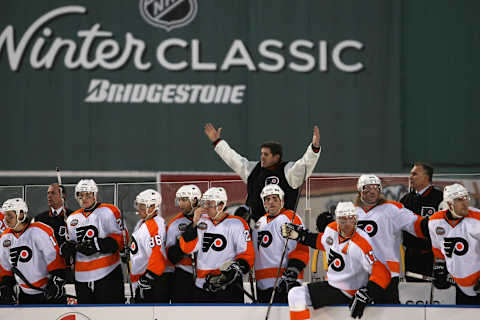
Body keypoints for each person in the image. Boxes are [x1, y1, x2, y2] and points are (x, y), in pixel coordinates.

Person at [282, 202, 391, 320]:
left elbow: (382, 272)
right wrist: (302, 236)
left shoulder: (362, 243)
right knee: (295, 294)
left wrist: (368, 292)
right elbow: (323, 242)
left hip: (350, 292)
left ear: (356, 219)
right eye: (343, 219)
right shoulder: (331, 229)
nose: (348, 223)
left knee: (296, 294)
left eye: (351, 218)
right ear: (337, 220)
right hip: (332, 286)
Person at [204, 123, 321, 222]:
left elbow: (305, 164)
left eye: (266, 154)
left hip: (280, 227)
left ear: (276, 157)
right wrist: (217, 142)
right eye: (261, 154)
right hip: (255, 226)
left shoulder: (288, 171)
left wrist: (314, 149)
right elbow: (233, 159)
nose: (262, 157)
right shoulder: (254, 169)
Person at [354, 174, 428, 303]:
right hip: (358, 273)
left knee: (388, 313)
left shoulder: (392, 209)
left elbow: (417, 224)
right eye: (368, 188)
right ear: (360, 190)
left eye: (376, 188)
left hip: (387, 274)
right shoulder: (351, 212)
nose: (372, 191)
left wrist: (435, 224)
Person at [179, 187, 254, 303]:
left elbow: (247, 254)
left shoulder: (237, 223)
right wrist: (193, 223)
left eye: (209, 204)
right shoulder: (201, 222)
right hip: (202, 285)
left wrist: (233, 271)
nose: (205, 207)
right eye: (204, 203)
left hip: (229, 286)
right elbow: (186, 248)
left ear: (220, 205)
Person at [61, 179, 125, 304]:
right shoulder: (72, 219)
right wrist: (66, 249)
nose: (84, 198)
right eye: (80, 195)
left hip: (108, 273)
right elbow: (72, 246)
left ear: (95, 194)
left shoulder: (110, 211)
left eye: (88, 194)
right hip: (82, 277)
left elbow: (121, 240)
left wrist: (96, 244)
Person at [0, 198, 68, 304]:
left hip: (48, 292)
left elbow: (55, 260)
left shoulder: (39, 230)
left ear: (21, 214)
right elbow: (5, 268)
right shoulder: (5, 237)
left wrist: (57, 281)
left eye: (10, 215)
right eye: (5, 215)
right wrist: (6, 287)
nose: (6, 219)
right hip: (24, 294)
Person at [253, 184, 309, 303]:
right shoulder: (259, 223)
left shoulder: (290, 218)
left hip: (286, 283)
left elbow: (301, 248)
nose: (271, 202)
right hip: (262, 285)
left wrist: (294, 269)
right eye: (267, 199)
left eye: (275, 198)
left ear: (282, 201)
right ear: (263, 203)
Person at [428, 183, 480, 305]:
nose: (466, 203)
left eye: (466, 198)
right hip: (458, 283)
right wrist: (440, 269)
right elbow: (438, 250)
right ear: (449, 204)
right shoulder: (435, 221)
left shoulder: (477, 218)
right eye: (459, 200)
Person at [400, 163, 443, 281]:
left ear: (426, 176)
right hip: (410, 257)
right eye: (410, 174)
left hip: (433, 257)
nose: (410, 177)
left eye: (414, 174)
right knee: (410, 293)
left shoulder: (440, 198)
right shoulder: (406, 200)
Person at [129, 189, 170, 303]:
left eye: (143, 206)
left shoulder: (155, 226)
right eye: (139, 205)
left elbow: (158, 254)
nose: (139, 209)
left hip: (152, 283)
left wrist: (148, 277)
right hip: (142, 281)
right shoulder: (142, 223)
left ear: (153, 207)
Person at [165, 184, 202, 302]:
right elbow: (171, 256)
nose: (180, 204)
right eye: (179, 200)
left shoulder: (209, 219)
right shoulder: (175, 224)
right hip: (183, 275)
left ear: (195, 200)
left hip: (205, 274)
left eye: (184, 200)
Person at [34, 183, 75, 282]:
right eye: (48, 193)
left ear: (63, 196)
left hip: (67, 269)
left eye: (53, 193)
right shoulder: (39, 219)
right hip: (45, 269)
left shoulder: (74, 217)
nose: (49, 196)